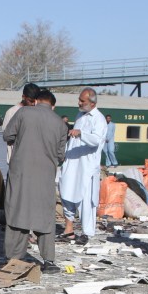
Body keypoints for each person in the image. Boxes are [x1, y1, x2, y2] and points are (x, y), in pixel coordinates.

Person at [3, 90, 67, 273]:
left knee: (17, 212)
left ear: (37, 101)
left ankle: (13, 259)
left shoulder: (23, 113)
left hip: (20, 172)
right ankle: (49, 261)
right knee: (45, 217)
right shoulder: (60, 124)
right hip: (45, 175)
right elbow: (61, 155)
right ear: (53, 105)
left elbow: (7, 135)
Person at [57, 87, 106, 246]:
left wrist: (81, 134)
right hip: (72, 163)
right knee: (67, 193)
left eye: (82, 101)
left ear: (92, 103)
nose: (79, 103)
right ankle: (68, 230)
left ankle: (87, 233)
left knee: (86, 201)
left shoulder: (98, 119)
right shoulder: (80, 115)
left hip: (87, 166)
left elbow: (96, 141)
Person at [2, 84, 40, 162]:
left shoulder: (38, 112)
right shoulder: (11, 112)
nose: (33, 104)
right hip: (16, 160)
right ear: (23, 97)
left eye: (35, 101)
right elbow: (6, 136)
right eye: (31, 101)